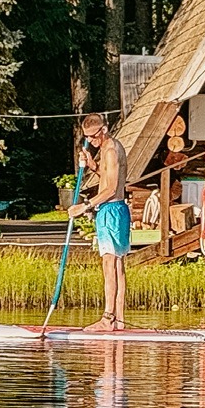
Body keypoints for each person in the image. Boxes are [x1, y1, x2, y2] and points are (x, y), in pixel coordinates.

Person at [68, 112, 130, 331]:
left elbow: (111, 188)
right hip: (117, 209)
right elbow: (107, 176)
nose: (91, 142)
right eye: (87, 138)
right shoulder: (107, 148)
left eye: (93, 137)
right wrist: (92, 164)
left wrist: (84, 206)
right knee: (117, 264)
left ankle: (107, 319)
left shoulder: (111, 150)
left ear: (103, 130)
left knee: (109, 264)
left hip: (111, 211)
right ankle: (119, 320)